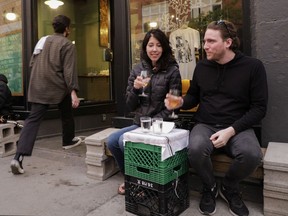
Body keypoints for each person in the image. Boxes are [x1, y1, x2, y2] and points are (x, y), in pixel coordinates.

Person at [165, 20, 268, 216]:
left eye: (211, 41)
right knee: (194, 149)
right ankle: (210, 186)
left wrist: (231, 131)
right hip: (206, 123)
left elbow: (259, 109)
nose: (205, 46)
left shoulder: (253, 67)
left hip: (238, 127)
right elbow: (194, 96)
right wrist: (179, 102)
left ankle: (229, 187)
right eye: (204, 41)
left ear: (228, 42)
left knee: (252, 155)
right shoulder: (202, 66)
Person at [107, 28, 182, 195]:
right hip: (141, 123)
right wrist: (134, 89)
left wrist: (152, 122)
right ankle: (132, 179)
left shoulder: (172, 70)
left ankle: (143, 182)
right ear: (145, 48)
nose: (154, 49)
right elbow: (130, 106)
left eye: (158, 45)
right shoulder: (137, 70)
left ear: (164, 48)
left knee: (122, 142)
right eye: (150, 45)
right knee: (112, 140)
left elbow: (174, 106)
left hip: (163, 125)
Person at [10, 15, 81, 175]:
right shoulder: (67, 45)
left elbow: (31, 63)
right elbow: (69, 72)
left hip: (38, 84)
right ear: (67, 29)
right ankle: (68, 140)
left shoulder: (42, 40)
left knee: (34, 119)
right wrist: (74, 92)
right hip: (57, 85)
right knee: (67, 109)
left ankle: (18, 157)